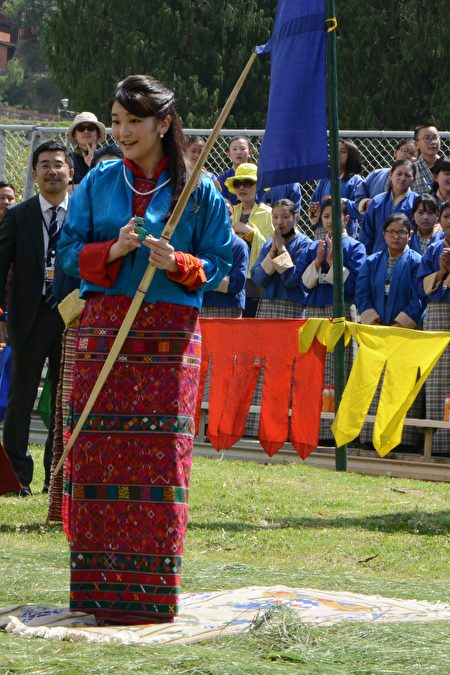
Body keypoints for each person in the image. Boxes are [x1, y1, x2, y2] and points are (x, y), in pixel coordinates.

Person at [58, 74, 232, 625]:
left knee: (160, 463)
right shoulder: (98, 182)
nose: (122, 131)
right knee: (95, 454)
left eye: (134, 120)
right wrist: (115, 248)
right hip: (104, 335)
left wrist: (179, 263)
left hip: (169, 343)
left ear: (163, 123)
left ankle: (153, 596)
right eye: (116, 120)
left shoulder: (198, 190)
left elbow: (224, 262)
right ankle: (96, 596)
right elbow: (66, 254)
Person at [0, 140, 73, 496]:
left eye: (58, 164)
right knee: (20, 398)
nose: (51, 171)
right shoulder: (18, 215)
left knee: (64, 400)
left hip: (71, 318)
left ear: (70, 172)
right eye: (44, 165)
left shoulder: (84, 216)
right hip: (27, 319)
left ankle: (56, 475)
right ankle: (17, 477)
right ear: (34, 174)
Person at [296, 197, 366, 441]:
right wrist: (317, 262)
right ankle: (309, 426)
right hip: (315, 312)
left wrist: (334, 264)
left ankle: (337, 430)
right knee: (313, 367)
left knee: (339, 367)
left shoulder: (355, 247)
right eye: (325, 216)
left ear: (346, 218)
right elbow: (302, 282)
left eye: (335, 216)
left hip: (341, 311)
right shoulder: (312, 247)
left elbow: (356, 283)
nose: (329, 221)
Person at [356, 213, 425, 449]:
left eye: (402, 232)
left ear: (410, 235)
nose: (396, 237)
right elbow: (361, 295)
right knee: (373, 383)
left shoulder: (418, 262)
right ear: (383, 234)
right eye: (392, 232)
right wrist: (374, 323)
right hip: (375, 334)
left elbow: (419, 299)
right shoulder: (371, 261)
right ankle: (368, 437)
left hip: (403, 334)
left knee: (400, 382)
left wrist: (398, 325)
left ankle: (401, 440)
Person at [417, 201, 450, 455]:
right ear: (441, 219)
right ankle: (437, 444)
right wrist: (441, 272)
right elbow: (422, 287)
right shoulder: (434, 249)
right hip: (438, 313)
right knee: (437, 375)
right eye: (447, 216)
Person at [224, 162, 273, 317]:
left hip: (254, 282)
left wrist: (251, 233)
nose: (241, 187)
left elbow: (272, 245)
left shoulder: (268, 213)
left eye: (248, 182)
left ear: (258, 185)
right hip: (232, 274)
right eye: (237, 183)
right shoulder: (230, 211)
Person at [251, 199, 311, 318]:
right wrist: (273, 251)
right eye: (275, 217)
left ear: (295, 218)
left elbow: (293, 280)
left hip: (293, 305)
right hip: (267, 306)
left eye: (285, 217)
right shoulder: (268, 245)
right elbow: (258, 279)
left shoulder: (304, 244)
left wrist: (282, 249)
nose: (279, 222)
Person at [359, 159, 418, 255]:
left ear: (414, 179)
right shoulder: (377, 201)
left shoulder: (416, 202)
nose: (402, 178)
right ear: (391, 175)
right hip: (377, 257)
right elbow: (366, 234)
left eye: (407, 175)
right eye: (399, 173)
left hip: (407, 260)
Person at [200, 201, 249, 318]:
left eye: (229, 213)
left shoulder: (240, 246)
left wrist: (204, 279)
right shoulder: (202, 243)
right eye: (221, 212)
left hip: (229, 306)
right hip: (203, 304)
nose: (225, 216)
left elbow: (237, 283)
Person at [308, 139, 364, 238]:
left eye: (343, 152)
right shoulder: (325, 179)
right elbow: (315, 203)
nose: (337, 154)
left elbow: (359, 209)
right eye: (335, 150)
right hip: (322, 233)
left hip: (344, 233)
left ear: (352, 157)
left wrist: (338, 201)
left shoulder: (356, 181)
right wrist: (314, 211)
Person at [355, 138, 417, 215]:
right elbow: (358, 199)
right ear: (395, 152)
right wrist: (370, 204)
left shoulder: (420, 180)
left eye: (414, 153)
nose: (408, 155)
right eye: (405, 151)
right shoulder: (376, 175)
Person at [66, 111, 106, 186]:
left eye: (91, 128)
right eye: (81, 128)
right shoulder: (67, 159)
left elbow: (108, 185)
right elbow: (64, 190)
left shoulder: (107, 158)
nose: (86, 131)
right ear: (75, 135)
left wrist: (92, 163)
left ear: (98, 134)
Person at [217, 136, 253, 204]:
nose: (239, 152)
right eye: (234, 149)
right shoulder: (223, 178)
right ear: (228, 154)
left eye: (242, 148)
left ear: (250, 152)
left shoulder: (257, 174)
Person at [411, 124, 442, 196]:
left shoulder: (447, 165)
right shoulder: (412, 170)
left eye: (435, 137)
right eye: (427, 138)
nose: (433, 142)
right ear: (416, 145)